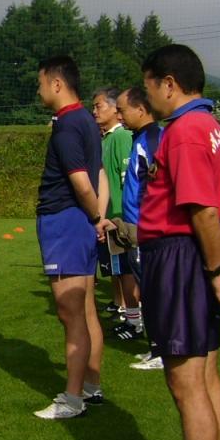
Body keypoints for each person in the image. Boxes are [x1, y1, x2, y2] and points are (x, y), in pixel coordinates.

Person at [137, 44, 220, 440]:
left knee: (186, 382)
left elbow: (203, 209)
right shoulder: (217, 131)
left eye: (149, 87)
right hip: (199, 258)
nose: (147, 98)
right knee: (206, 376)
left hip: (180, 258)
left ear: (169, 84)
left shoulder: (183, 132)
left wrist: (216, 269)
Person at [33, 56, 113, 420]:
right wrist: (98, 216)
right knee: (86, 309)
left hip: (64, 223)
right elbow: (100, 175)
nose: (39, 91)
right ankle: (92, 386)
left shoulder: (67, 125)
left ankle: (73, 398)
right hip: (78, 222)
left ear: (56, 84)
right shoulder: (88, 122)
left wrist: (95, 217)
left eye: (41, 83)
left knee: (71, 315)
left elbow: (82, 182)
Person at [117, 87, 165, 371]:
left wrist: (148, 222)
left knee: (153, 288)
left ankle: (163, 350)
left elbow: (158, 185)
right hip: (136, 225)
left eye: (122, 110)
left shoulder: (153, 139)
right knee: (146, 287)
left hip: (146, 228)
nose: (120, 116)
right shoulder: (140, 138)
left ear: (140, 109)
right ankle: (156, 347)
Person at [92, 87, 142, 339]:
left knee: (126, 270)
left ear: (114, 109)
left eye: (99, 106)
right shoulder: (107, 138)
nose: (94, 111)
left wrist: (120, 216)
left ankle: (134, 319)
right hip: (110, 216)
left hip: (120, 217)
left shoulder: (121, 137)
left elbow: (126, 179)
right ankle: (127, 313)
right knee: (116, 268)